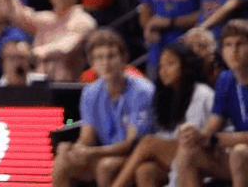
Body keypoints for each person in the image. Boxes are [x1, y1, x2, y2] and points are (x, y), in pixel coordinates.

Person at [52, 29, 155, 187]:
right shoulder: (90, 92)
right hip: (106, 153)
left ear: (124, 58)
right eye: (99, 58)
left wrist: (91, 152)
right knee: (62, 161)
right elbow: (88, 138)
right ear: (92, 63)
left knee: (105, 166)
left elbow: (131, 144)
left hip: (138, 156)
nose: (105, 63)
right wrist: (75, 149)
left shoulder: (142, 90)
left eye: (111, 56)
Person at [110, 41, 214, 187]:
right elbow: (168, 136)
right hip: (178, 153)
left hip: (206, 154)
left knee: (148, 142)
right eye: (161, 66)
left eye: (170, 64)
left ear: (186, 66)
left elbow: (193, 140)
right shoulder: (167, 96)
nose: (164, 70)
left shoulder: (202, 93)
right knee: (144, 171)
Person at [173, 19, 248, 187]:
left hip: (242, 154)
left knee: (240, 152)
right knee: (188, 151)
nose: (233, 51)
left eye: (240, 44)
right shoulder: (226, 79)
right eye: (228, 45)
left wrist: (215, 139)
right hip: (240, 155)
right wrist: (196, 135)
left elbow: (217, 139)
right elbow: (213, 123)